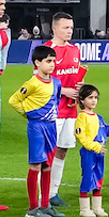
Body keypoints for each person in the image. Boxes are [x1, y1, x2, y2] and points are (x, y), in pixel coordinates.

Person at [10, 45, 65, 217]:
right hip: (37, 127)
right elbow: (14, 100)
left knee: (47, 166)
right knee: (36, 165)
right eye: (48, 61)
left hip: (51, 127)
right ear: (37, 63)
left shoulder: (56, 83)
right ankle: (33, 208)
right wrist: (28, 114)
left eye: (53, 61)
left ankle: (45, 205)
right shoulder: (32, 83)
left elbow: (56, 101)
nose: (52, 64)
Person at [45, 12, 89, 206]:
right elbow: (40, 81)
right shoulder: (47, 50)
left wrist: (80, 87)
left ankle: (53, 192)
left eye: (71, 27)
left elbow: (76, 75)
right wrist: (64, 91)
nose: (69, 31)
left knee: (63, 150)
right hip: (52, 110)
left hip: (71, 109)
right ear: (54, 28)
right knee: (49, 152)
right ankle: (43, 194)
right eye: (65, 27)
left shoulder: (74, 50)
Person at [74, 85, 109, 217]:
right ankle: (84, 209)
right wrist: (94, 146)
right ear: (82, 100)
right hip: (89, 153)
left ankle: (97, 207)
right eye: (90, 97)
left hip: (99, 154)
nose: (94, 100)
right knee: (87, 177)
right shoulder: (82, 118)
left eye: (96, 97)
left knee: (99, 178)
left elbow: (107, 131)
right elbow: (81, 136)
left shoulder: (98, 117)